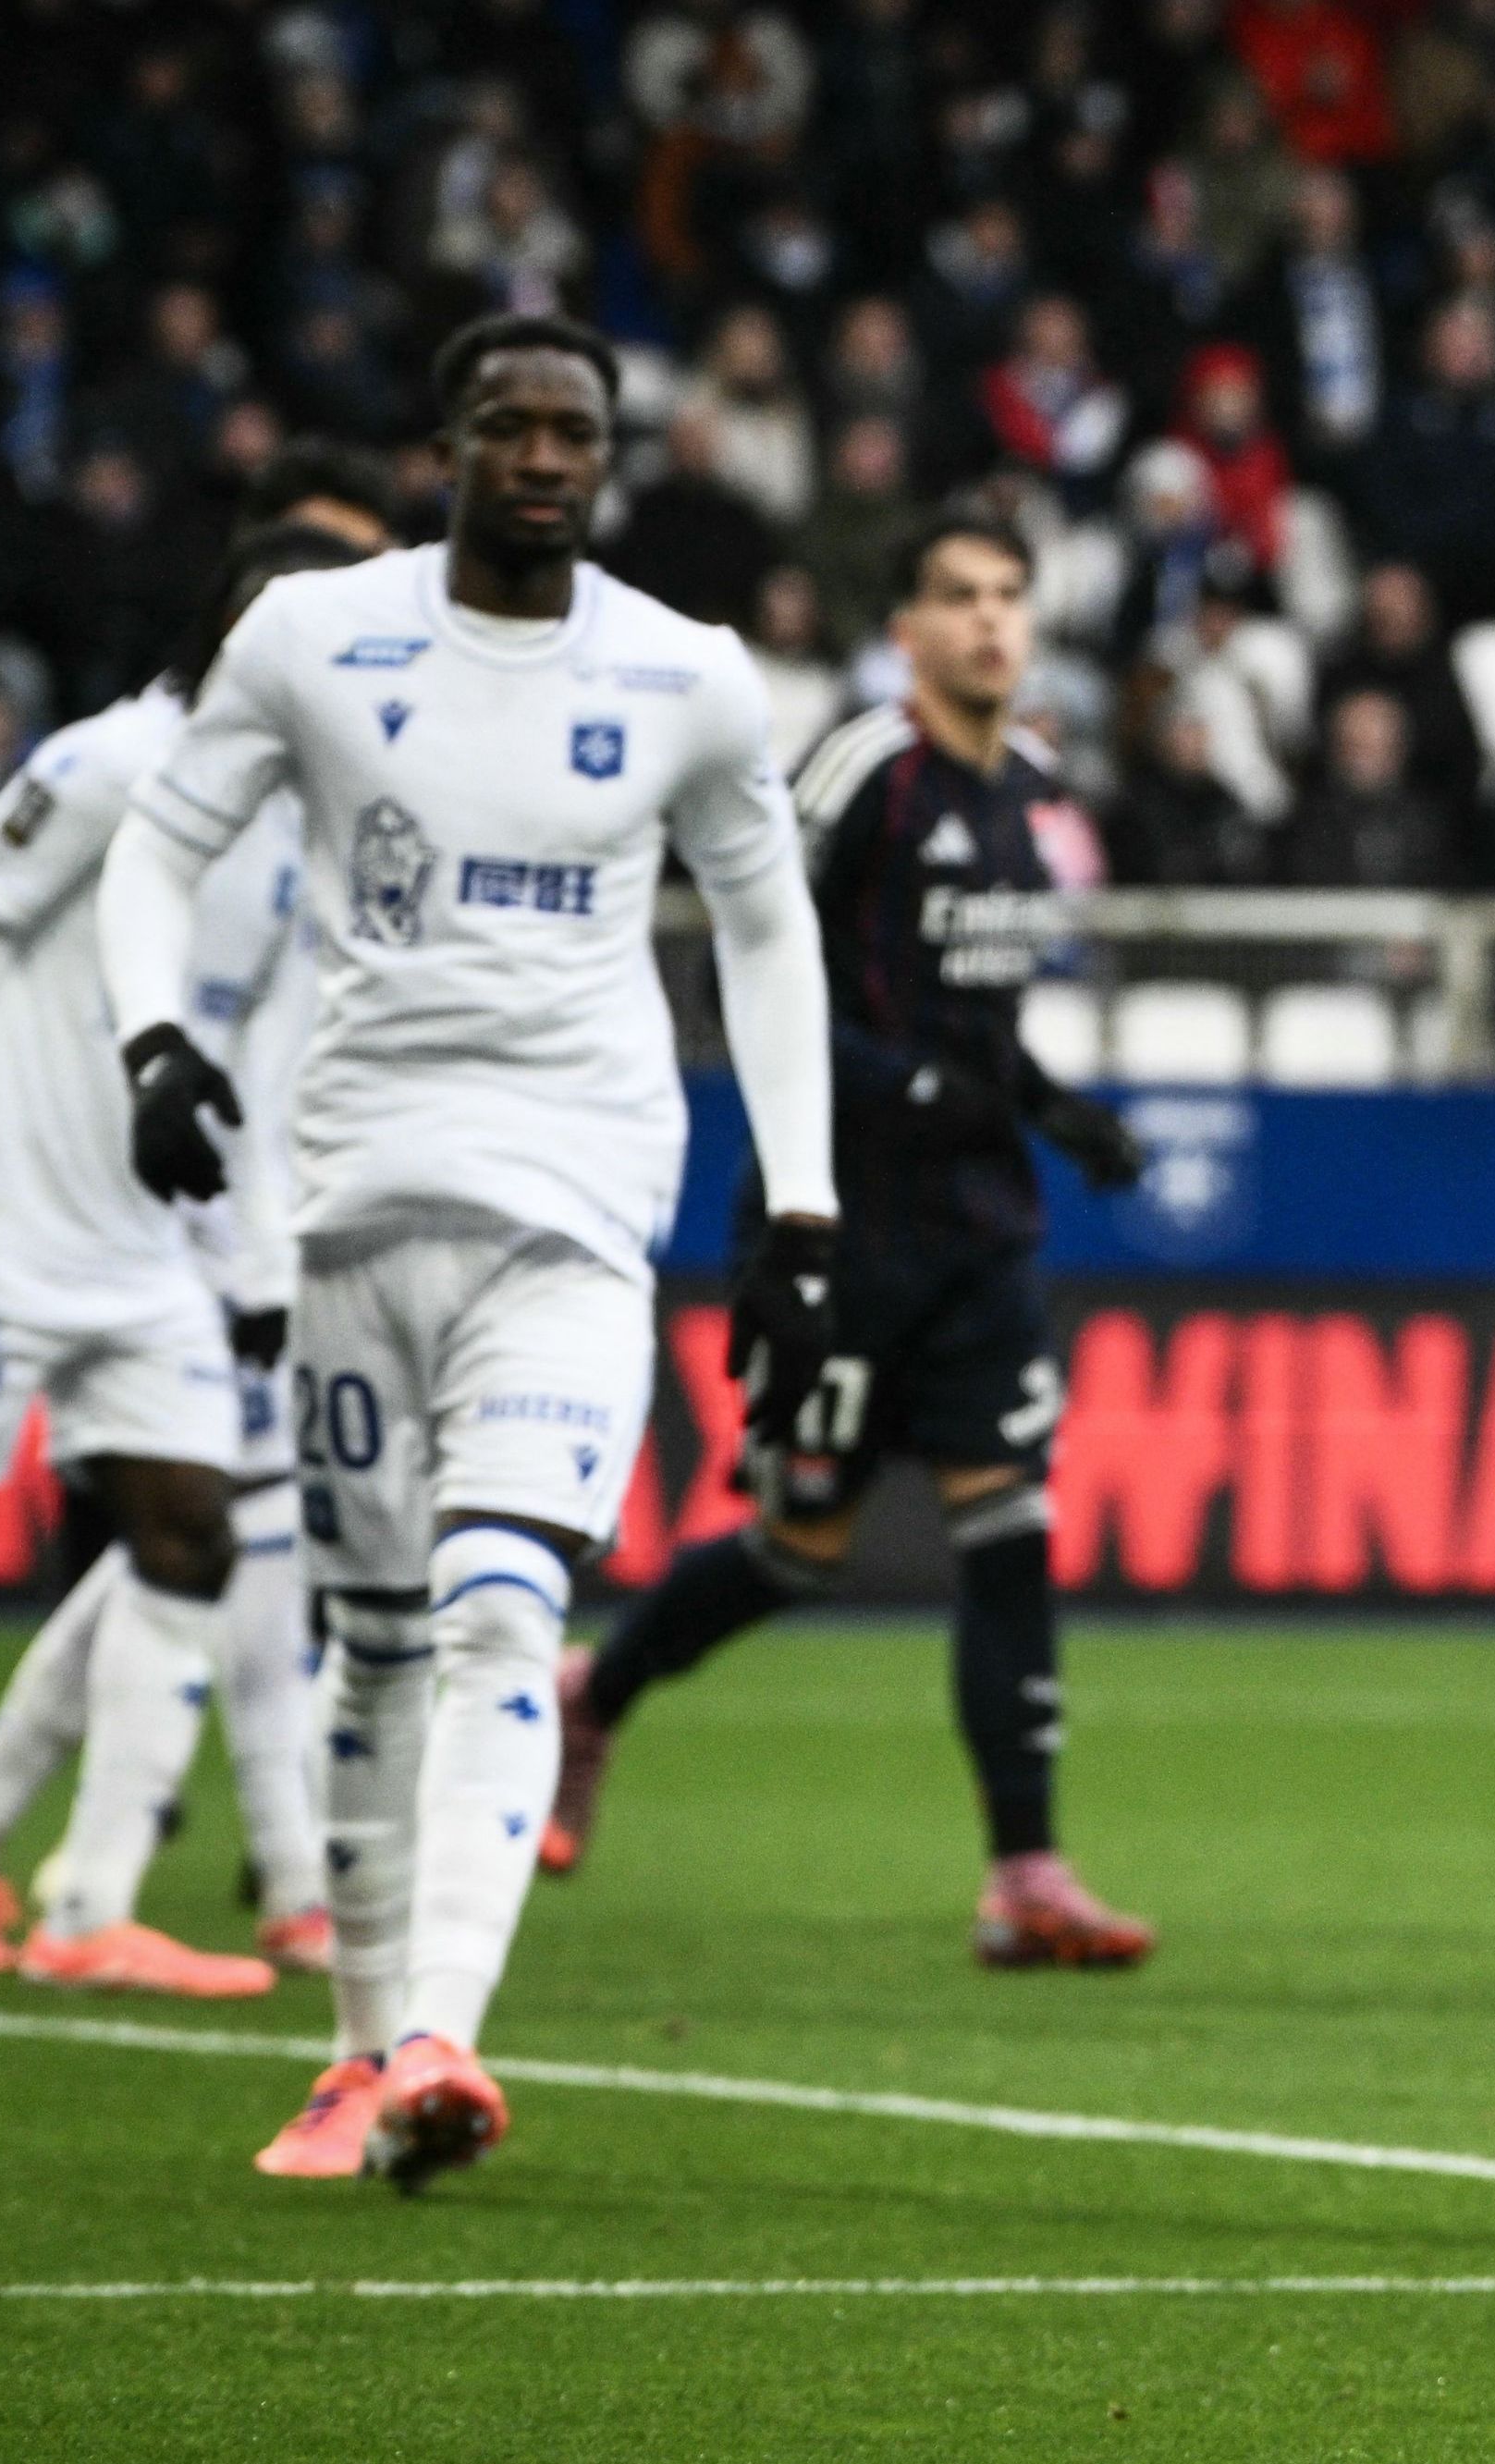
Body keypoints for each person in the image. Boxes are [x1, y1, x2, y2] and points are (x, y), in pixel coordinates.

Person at [90, 314, 847, 2193]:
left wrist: (803, 1202)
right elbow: (152, 851)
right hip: (352, 1199)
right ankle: (356, 2053)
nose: (538, 454)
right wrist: (155, 1039)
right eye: (505, 423)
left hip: (577, 1210)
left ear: (607, 453)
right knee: (367, 1649)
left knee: (501, 1601)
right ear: (450, 443)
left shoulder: (685, 676)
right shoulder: (317, 638)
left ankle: (441, 2032)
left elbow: (766, 934)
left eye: (571, 428)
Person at [548, 513, 1156, 1968]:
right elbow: (753, 962)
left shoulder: (1039, 789)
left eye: (1012, 595)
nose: (992, 623)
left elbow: (978, 1021)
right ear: (908, 628)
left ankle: (1025, 1870)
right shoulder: (860, 769)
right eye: (959, 597)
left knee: (1009, 1528)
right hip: (845, 1218)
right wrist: (912, 1090)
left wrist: (1053, 1107)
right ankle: (598, 1691)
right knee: (798, 1545)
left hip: (980, 1230)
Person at [0, 525, 377, 2000]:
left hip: (145, 1251)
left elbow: (256, 1063)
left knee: (191, 1534)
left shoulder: (297, 829)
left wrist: (249, 1264)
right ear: (225, 627)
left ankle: (88, 1905)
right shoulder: (106, 766)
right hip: (0, 1226)